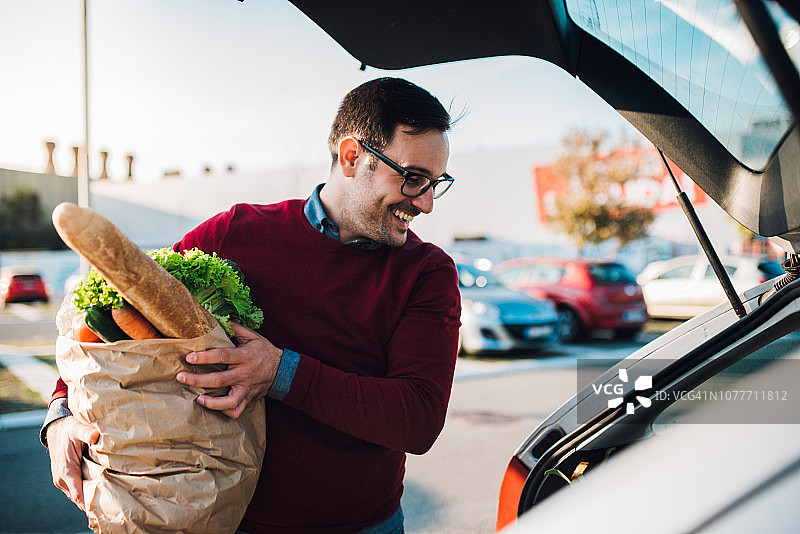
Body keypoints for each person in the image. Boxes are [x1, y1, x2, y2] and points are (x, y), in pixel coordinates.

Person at [43, 77, 462, 534]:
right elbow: (120, 315)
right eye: (413, 178)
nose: (425, 203)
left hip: (363, 526)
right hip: (230, 520)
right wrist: (60, 414)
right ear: (351, 156)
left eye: (435, 184)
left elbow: (418, 419)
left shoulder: (427, 273)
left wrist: (280, 372)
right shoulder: (236, 232)